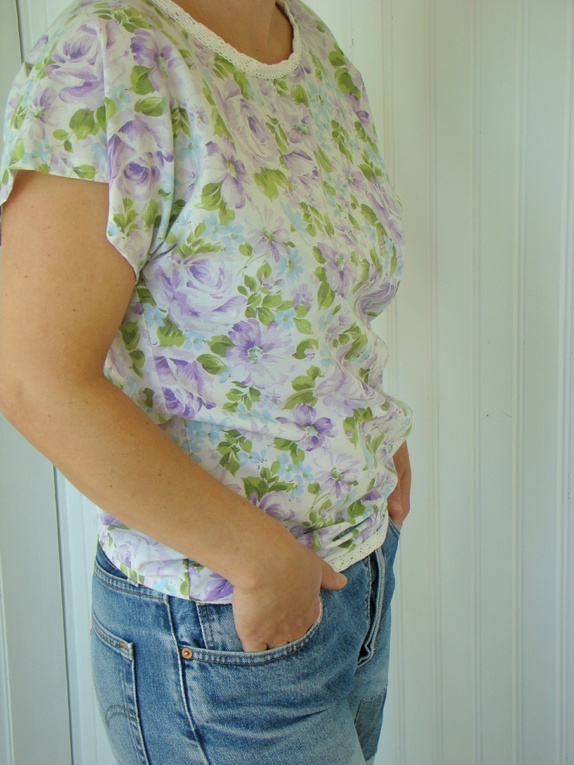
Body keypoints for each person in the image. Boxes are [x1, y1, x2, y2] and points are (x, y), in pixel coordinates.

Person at [0, 0, 412, 762]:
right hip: (220, 629)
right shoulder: (109, 54)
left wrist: (374, 438)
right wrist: (257, 560)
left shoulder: (314, 48)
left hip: (360, 578)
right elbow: (33, 375)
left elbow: (329, 299)